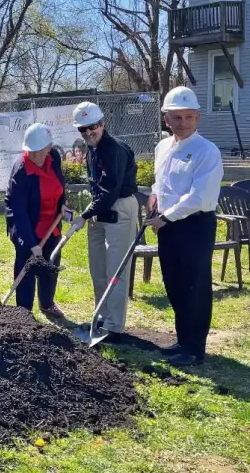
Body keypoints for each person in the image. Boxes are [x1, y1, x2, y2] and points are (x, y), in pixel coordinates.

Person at [144, 87, 224, 366]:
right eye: (177, 117)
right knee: (175, 283)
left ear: (198, 117)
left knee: (195, 286)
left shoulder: (207, 151)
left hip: (195, 225)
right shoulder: (163, 147)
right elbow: (161, 181)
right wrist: (154, 195)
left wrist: (166, 217)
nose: (183, 123)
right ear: (166, 118)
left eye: (189, 116)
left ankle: (194, 349)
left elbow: (199, 196)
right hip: (167, 224)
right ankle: (182, 340)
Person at [70, 101, 138, 343]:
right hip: (100, 208)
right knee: (97, 267)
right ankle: (101, 316)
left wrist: (84, 216)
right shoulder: (93, 150)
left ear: (102, 124)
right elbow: (98, 189)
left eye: (93, 126)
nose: (89, 132)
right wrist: (89, 213)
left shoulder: (113, 149)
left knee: (115, 270)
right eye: (83, 129)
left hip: (119, 207)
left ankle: (114, 326)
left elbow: (110, 191)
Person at [5, 124, 71, 317]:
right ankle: (24, 311)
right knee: (26, 264)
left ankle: (47, 303)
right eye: (32, 151)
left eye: (40, 150)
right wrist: (32, 244)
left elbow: (59, 185)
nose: (37, 155)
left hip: (51, 222)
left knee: (50, 262)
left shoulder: (54, 158)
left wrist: (62, 205)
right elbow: (19, 210)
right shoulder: (21, 170)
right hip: (26, 223)